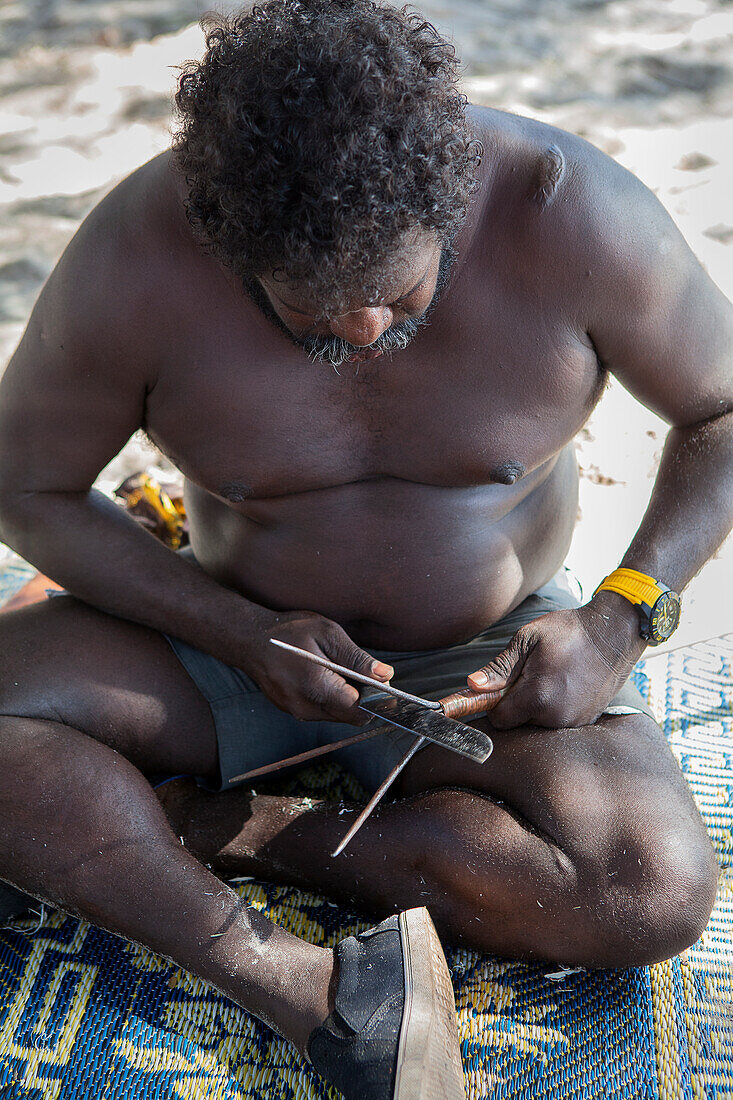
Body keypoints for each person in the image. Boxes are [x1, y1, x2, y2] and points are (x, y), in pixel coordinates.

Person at [0, 1, 729, 1096]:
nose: (361, 333)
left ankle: (229, 824)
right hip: (221, 641)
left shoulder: (566, 213)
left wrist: (621, 614)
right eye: (312, 308)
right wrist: (235, 628)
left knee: (645, 887)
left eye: (395, 292)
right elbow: (26, 486)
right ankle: (297, 984)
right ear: (225, 242)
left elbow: (721, 410)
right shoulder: (141, 256)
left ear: (452, 204)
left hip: (483, 674)